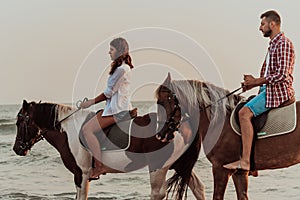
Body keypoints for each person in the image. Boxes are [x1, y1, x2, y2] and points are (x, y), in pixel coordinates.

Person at [224, 10, 295, 171]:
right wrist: (253, 84)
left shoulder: (283, 44)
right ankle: (254, 159)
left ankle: (246, 162)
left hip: (279, 91)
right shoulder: (273, 45)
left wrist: (257, 81)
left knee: (244, 114)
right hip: (268, 89)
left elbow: (282, 75)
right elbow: (270, 74)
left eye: (262, 24)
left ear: (272, 24)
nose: (260, 28)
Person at [80, 37, 137, 178]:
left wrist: (89, 103)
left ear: (119, 51)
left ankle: (99, 166)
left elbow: (108, 93)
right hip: (115, 108)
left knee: (87, 130)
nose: (109, 52)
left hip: (117, 111)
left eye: (111, 49)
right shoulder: (124, 68)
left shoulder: (121, 70)